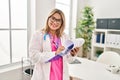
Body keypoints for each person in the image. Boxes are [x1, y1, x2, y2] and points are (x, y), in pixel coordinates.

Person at [29, 8, 80, 80]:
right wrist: (55, 53)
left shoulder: (65, 36)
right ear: (48, 18)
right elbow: (34, 56)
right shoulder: (38, 34)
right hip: (44, 76)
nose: (55, 22)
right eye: (53, 18)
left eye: (58, 20)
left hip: (60, 75)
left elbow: (69, 60)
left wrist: (72, 54)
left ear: (62, 23)